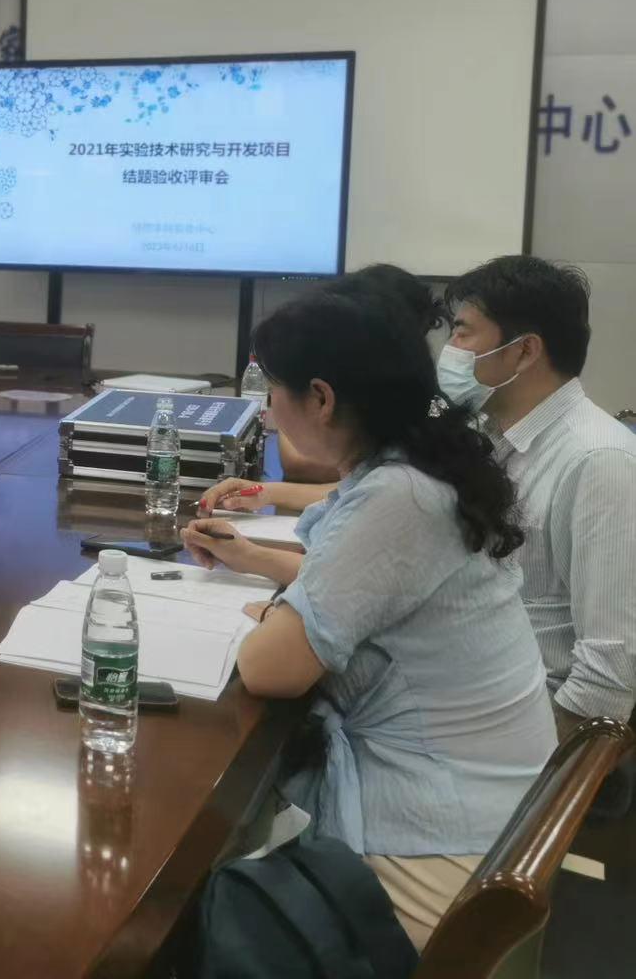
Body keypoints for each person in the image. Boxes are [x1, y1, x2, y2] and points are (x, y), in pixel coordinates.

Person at [182, 291, 554, 950]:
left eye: (272, 391)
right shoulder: (418, 465)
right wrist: (262, 568)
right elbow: (373, 590)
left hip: (436, 853)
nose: (266, 410)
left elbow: (268, 668)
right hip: (484, 816)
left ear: (321, 399)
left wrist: (280, 615)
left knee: (192, 901)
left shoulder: (398, 496)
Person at [444, 255, 636, 729]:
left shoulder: (599, 461)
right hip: (470, 695)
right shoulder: (490, 434)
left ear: (525, 351)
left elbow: (607, 679)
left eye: (463, 333)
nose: (450, 349)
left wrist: (521, 757)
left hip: (526, 729)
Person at [201, 263, 447, 512]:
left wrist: (296, 397)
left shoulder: (394, 412)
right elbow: (350, 489)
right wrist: (268, 493)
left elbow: (298, 462)